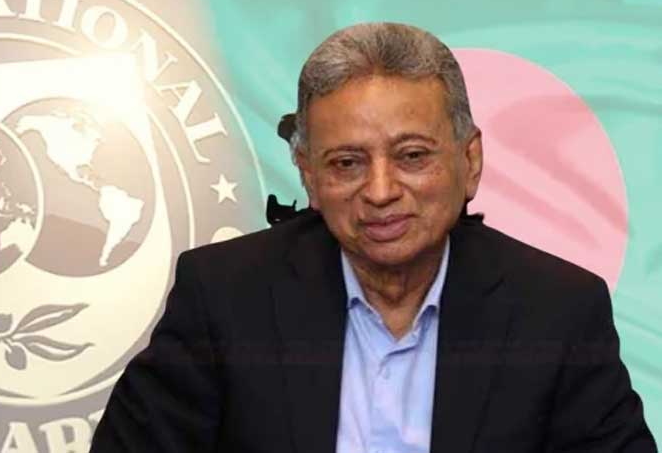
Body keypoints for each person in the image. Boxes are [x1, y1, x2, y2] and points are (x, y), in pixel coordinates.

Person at [90, 22, 656, 453]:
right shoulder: (224, 296)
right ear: (309, 176)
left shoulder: (557, 310)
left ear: (470, 161)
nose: (381, 191)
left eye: (412, 156)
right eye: (347, 163)